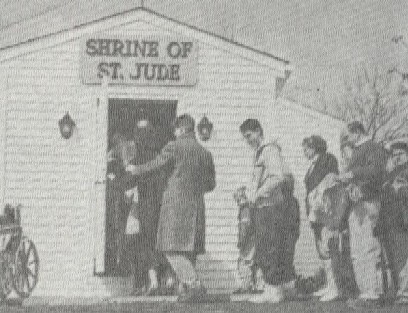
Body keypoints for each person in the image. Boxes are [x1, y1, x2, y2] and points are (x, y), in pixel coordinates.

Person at [126, 114, 216, 302]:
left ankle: (193, 284)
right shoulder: (205, 153)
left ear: (182, 130)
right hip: (197, 205)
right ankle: (187, 291)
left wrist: (136, 170)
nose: (174, 133)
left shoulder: (174, 146)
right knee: (189, 249)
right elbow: (210, 185)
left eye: (175, 130)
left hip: (175, 206)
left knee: (170, 248)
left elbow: (157, 165)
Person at [239, 119, 300, 303]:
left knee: (269, 247)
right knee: (272, 247)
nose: (247, 140)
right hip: (265, 206)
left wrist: (257, 194)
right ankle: (282, 288)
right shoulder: (260, 153)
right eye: (245, 137)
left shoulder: (269, 150)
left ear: (258, 131)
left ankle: (273, 289)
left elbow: (277, 176)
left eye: (249, 135)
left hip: (270, 207)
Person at [338, 121, 388, 307]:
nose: (347, 140)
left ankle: (374, 293)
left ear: (357, 132)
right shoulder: (359, 149)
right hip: (356, 204)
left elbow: (376, 171)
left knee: (368, 247)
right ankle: (365, 292)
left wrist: (351, 174)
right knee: (358, 250)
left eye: (348, 136)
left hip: (368, 202)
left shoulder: (373, 147)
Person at [122, 119, 170, 296]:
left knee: (143, 243)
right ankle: (158, 281)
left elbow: (128, 182)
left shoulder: (138, 159)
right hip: (159, 205)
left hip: (146, 207)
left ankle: (149, 283)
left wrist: (128, 188)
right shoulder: (160, 157)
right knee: (153, 243)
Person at [302, 135, 342, 301]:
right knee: (322, 250)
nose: (304, 151)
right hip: (315, 213)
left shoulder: (327, 159)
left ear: (316, 147)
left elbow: (331, 181)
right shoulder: (312, 165)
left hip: (326, 211)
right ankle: (329, 285)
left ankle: (336, 287)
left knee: (329, 247)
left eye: (307, 147)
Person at [379, 141, 408, 305]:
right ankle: (400, 290)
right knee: (396, 260)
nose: (397, 158)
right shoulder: (391, 174)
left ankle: (405, 293)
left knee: (404, 258)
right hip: (390, 222)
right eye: (394, 155)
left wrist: (402, 189)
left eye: (401, 155)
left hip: (403, 221)